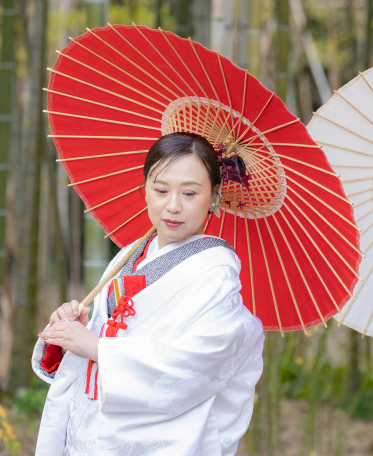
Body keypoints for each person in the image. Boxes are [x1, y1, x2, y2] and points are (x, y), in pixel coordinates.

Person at [32, 132, 264, 456]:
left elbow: (193, 368)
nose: (172, 206)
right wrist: (75, 331)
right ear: (144, 190)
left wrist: (98, 347)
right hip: (90, 429)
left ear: (214, 195)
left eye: (189, 193)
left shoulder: (216, 279)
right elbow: (106, 335)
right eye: (160, 190)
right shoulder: (129, 255)